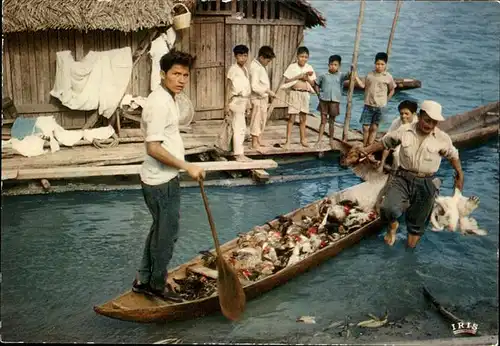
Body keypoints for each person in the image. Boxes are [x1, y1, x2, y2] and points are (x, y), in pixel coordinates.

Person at [132, 50, 206, 302]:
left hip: (161, 177)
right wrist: (187, 166)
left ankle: (143, 279)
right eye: (175, 74)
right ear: (163, 74)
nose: (181, 79)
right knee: (167, 234)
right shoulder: (159, 103)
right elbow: (152, 147)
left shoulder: (169, 97)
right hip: (160, 181)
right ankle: (156, 285)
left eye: (185, 74)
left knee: (158, 229)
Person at [356, 100, 464, 249]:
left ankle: (409, 252)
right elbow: (385, 143)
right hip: (403, 178)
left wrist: (460, 174)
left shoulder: (442, 138)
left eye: (434, 122)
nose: (430, 125)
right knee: (387, 208)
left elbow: (453, 156)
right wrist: (365, 150)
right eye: (427, 120)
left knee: (417, 224)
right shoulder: (404, 130)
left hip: (426, 183)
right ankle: (393, 225)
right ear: (419, 116)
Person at [355, 52, 396, 148]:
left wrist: (386, 100)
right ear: (374, 63)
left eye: (382, 64)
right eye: (378, 64)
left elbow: (392, 89)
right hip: (368, 105)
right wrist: (356, 76)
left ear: (386, 65)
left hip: (380, 106)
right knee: (365, 127)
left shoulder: (388, 76)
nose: (379, 66)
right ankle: (364, 144)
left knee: (374, 127)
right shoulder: (370, 75)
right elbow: (363, 85)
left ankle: (369, 145)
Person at [314, 54, 352, 150]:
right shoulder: (323, 75)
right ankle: (319, 139)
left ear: (339, 66)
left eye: (335, 65)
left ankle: (331, 139)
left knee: (331, 122)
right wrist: (318, 94)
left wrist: (352, 69)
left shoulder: (341, 76)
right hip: (324, 100)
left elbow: (349, 75)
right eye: (331, 64)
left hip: (335, 101)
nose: (333, 66)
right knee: (323, 121)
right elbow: (316, 84)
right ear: (328, 65)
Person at [282, 46, 317, 148]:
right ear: (297, 56)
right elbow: (286, 81)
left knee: (303, 118)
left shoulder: (309, 68)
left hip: (305, 94)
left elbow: (313, 83)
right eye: (302, 56)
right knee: (291, 118)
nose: (303, 59)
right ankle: (288, 141)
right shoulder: (292, 67)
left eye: (306, 57)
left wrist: (307, 79)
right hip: (295, 93)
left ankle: (303, 140)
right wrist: (299, 76)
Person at [225, 44, 252, 162]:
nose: (243, 58)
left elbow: (247, 87)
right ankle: (238, 154)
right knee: (238, 127)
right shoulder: (233, 69)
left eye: (245, 55)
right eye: (240, 56)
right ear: (236, 56)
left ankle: (239, 152)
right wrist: (225, 104)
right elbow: (228, 86)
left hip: (244, 100)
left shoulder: (245, 69)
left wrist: (248, 104)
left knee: (242, 128)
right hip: (235, 100)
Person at [378, 100, 418, 172]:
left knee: (398, 153)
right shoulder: (397, 122)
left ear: (414, 114)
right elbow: (387, 140)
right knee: (395, 152)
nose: (403, 116)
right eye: (401, 113)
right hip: (399, 143)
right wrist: (381, 164)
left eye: (406, 114)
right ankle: (393, 170)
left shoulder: (418, 124)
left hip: (415, 146)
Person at [249, 45, 276, 153]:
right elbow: (254, 86)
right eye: (268, 61)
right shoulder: (255, 67)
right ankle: (254, 143)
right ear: (261, 57)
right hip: (258, 98)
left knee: (262, 120)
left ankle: (259, 139)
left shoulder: (260, 66)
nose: (268, 63)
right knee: (256, 120)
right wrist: (267, 91)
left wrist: (267, 92)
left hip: (263, 98)